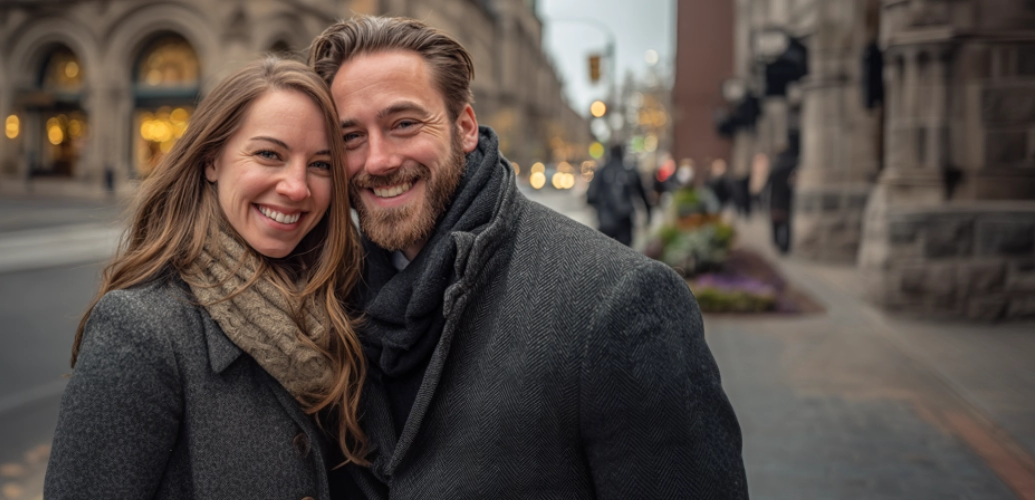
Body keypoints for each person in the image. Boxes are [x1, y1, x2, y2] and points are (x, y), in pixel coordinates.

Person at [309, 16, 746, 498]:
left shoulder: (618, 301)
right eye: (351, 137)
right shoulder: (331, 296)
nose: (377, 160)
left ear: (466, 127)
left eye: (405, 124)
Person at [45, 58, 370, 499]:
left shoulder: (340, 305)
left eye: (321, 165)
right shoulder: (142, 328)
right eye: (269, 154)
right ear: (211, 160)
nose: (297, 188)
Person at [586, 144, 652, 246]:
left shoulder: (601, 172)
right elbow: (643, 195)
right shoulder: (630, 171)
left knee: (606, 254)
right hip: (625, 222)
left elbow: (590, 196)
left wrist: (601, 207)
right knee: (625, 255)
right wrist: (648, 214)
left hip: (606, 222)